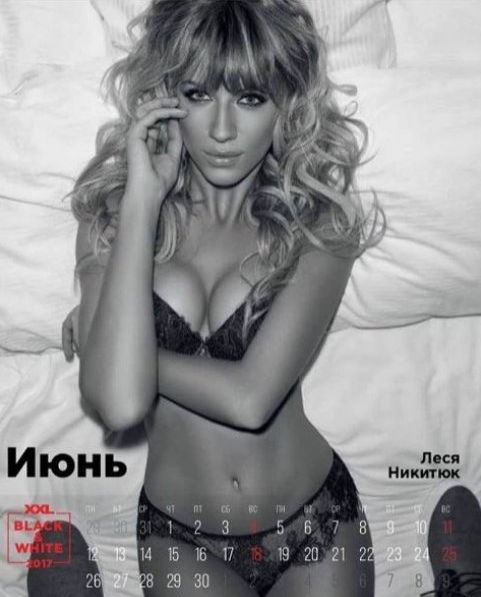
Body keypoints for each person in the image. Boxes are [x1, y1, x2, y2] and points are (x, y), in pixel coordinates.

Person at [60, 0, 383, 595]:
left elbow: (251, 399)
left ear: (286, 104)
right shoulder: (113, 218)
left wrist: (112, 348)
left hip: (315, 520)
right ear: (166, 95)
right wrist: (142, 201)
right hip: (181, 535)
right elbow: (118, 404)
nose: (223, 131)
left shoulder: (316, 222)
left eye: (251, 98)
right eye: (199, 94)